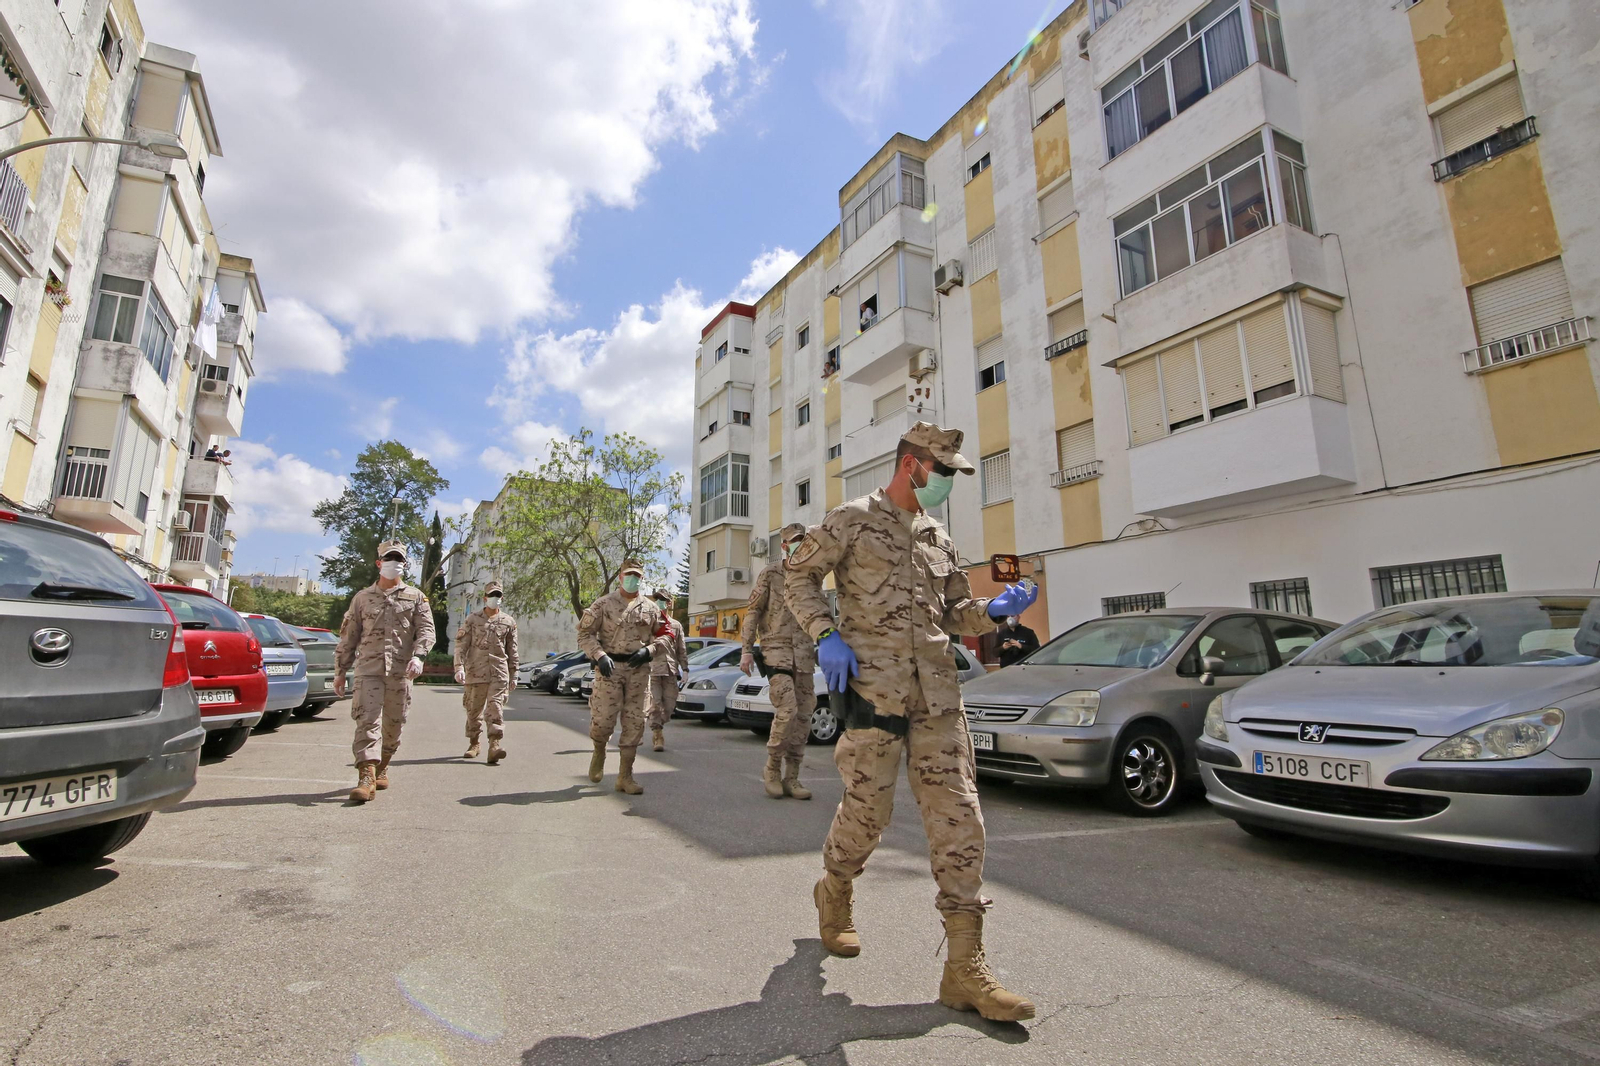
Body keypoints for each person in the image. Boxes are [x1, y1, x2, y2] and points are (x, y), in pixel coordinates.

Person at [785, 421, 1040, 1023]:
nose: (949, 481)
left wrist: (993, 611)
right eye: (944, 470)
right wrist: (825, 634)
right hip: (874, 692)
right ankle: (835, 889)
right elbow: (797, 575)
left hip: (937, 696)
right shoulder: (850, 519)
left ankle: (964, 967)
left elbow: (953, 614)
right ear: (912, 465)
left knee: (960, 814)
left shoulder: (938, 537)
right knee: (867, 812)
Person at [334, 540, 435, 803]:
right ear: (379, 563)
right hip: (369, 670)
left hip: (401, 672)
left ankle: (383, 765)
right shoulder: (362, 598)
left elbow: (426, 630)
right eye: (389, 558)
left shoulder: (416, 597)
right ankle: (366, 777)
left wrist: (419, 656)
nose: (394, 563)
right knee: (367, 721)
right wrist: (340, 671)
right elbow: (349, 636)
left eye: (398, 559)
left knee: (394, 724)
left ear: (405, 564)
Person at [575, 559, 668, 794]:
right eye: (629, 575)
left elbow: (666, 636)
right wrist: (599, 655)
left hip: (638, 671)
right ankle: (599, 751)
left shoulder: (651, 608)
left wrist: (650, 650)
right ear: (620, 577)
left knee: (635, 722)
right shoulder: (603, 604)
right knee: (603, 719)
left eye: (637, 576)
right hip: (609, 670)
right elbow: (585, 634)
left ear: (642, 579)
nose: (632, 579)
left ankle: (625, 776)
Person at [740, 522, 816, 800]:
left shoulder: (812, 575)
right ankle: (772, 768)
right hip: (776, 650)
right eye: (794, 540)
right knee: (788, 710)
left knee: (804, 716)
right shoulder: (770, 573)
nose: (799, 545)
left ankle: (792, 777)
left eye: (803, 540)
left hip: (804, 653)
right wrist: (746, 650)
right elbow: (753, 611)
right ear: (784, 546)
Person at [453, 580, 519, 764]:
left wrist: (514, 674)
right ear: (485, 598)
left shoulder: (508, 622)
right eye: (491, 595)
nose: (495, 598)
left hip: (499, 673)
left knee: (495, 708)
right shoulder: (473, 619)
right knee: (473, 710)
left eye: (498, 595)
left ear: (502, 598)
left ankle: (494, 745)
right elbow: (461, 645)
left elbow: (513, 650)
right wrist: (458, 667)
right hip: (476, 672)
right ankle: (474, 743)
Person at [645, 588, 688, 752]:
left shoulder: (676, 625)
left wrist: (685, 669)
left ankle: (658, 723)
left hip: (670, 670)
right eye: (657, 599)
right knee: (656, 704)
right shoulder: (650, 624)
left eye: (662, 600)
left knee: (669, 706)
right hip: (653, 670)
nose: (659, 602)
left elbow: (681, 649)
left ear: (669, 603)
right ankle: (657, 734)